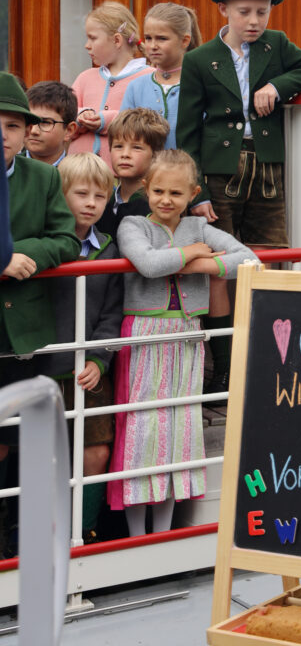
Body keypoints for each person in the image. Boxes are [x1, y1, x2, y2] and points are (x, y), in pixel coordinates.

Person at [176, 0, 301, 395]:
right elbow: (186, 131)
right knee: (219, 268)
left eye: (262, 12)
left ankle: (270, 361)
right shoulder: (199, 59)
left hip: (267, 170)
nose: (254, 21)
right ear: (223, 10)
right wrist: (196, 192)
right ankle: (226, 369)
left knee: (270, 258)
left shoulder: (277, 45)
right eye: (244, 11)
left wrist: (278, 85)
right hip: (217, 175)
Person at [108, 149, 257, 536]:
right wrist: (190, 253)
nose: (165, 200)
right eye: (158, 191)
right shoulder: (133, 225)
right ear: (146, 188)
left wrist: (205, 264)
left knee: (180, 428)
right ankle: (136, 535)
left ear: (192, 194)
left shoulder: (199, 226)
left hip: (187, 336)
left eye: (176, 193)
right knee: (142, 429)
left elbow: (249, 259)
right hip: (144, 335)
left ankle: (163, 531)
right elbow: (148, 264)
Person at [43, 153, 123, 543]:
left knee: (96, 452)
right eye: (81, 193)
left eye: (100, 196)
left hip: (87, 371)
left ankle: (85, 531)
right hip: (41, 368)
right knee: (43, 455)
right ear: (60, 195)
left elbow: (111, 313)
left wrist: (99, 359)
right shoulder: (42, 243)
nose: (91, 203)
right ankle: (39, 534)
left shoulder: (109, 248)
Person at [0, 72, 81, 458]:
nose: (3, 135)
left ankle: (18, 502)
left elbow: (67, 241)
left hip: (24, 333)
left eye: (12, 126)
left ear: (26, 133)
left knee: (17, 440)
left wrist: (20, 253)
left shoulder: (44, 176)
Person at [70, 1, 152, 166]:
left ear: (116, 40)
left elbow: (149, 123)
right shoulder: (85, 78)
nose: (87, 46)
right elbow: (64, 115)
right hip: (76, 172)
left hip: (121, 172)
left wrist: (106, 120)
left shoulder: (149, 78)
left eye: (93, 38)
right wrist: (81, 115)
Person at [121, 2, 202, 148]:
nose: (153, 46)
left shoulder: (201, 86)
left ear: (184, 41)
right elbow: (123, 135)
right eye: (148, 38)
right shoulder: (136, 87)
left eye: (162, 38)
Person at [97, 108, 170, 238]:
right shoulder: (101, 200)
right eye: (118, 146)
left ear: (156, 154)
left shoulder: (160, 206)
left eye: (136, 147)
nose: (125, 154)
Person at [25, 81, 79, 165]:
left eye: (45, 122)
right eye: (29, 120)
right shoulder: (7, 167)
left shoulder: (77, 172)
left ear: (69, 130)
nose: (33, 131)